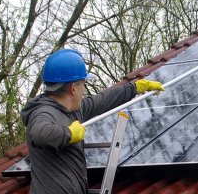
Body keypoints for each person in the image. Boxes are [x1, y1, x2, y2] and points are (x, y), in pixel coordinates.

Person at [21, 49, 164, 194]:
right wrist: (69, 133)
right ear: (73, 88)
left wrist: (135, 88)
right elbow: (39, 134)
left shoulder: (74, 110)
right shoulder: (43, 112)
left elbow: (103, 100)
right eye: (84, 84)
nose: (84, 89)